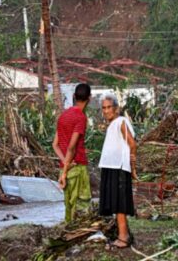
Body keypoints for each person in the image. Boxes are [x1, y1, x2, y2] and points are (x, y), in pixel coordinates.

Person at [98, 93, 137, 249]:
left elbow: (132, 144)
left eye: (109, 107)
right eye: (104, 108)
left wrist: (133, 167)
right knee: (115, 201)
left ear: (116, 108)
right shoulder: (113, 124)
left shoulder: (121, 121)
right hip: (111, 166)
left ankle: (123, 237)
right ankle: (124, 234)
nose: (106, 111)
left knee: (120, 202)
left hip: (119, 167)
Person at [53, 83, 92, 223]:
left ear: (74, 96)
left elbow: (55, 145)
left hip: (66, 167)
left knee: (69, 208)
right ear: (90, 98)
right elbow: (71, 147)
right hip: (77, 167)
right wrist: (66, 168)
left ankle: (68, 236)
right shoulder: (80, 117)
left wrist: (64, 164)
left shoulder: (63, 116)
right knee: (81, 208)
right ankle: (77, 239)